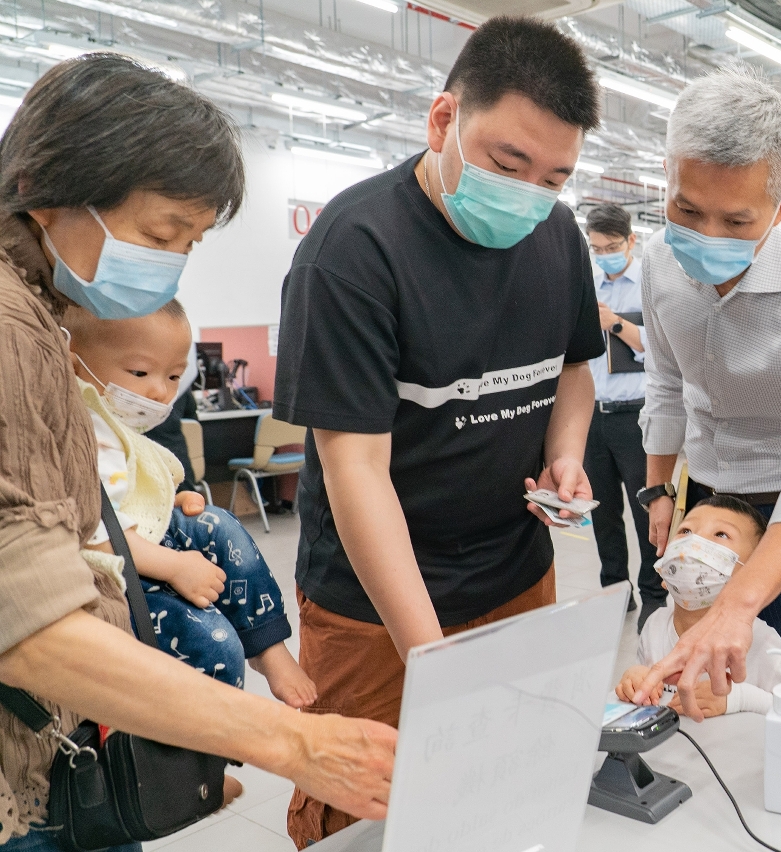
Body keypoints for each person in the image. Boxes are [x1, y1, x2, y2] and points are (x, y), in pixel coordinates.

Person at [0, 54, 394, 852]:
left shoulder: (43, 313)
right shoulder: (12, 331)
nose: (172, 261)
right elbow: (27, 620)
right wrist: (294, 743)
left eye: (190, 241)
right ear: (47, 190)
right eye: (159, 235)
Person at [272, 16, 603, 845]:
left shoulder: (556, 235)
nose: (528, 194)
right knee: (368, 813)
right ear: (442, 119)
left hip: (514, 574)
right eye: (507, 164)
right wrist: (438, 663)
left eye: (554, 177)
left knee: (505, 786)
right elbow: (355, 472)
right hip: (374, 607)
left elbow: (571, 370)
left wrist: (564, 456)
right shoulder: (353, 251)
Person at [632, 68, 781, 722]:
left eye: (736, 220)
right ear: (667, 176)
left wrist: (738, 605)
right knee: (696, 694)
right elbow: (665, 381)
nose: (706, 236)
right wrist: (658, 490)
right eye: (687, 211)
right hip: (705, 504)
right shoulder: (657, 261)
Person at [65, 300, 316, 708]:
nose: (159, 391)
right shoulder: (85, 433)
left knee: (219, 524)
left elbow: (124, 496)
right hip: (110, 566)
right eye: (140, 373)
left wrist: (166, 501)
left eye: (174, 376)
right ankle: (211, 736)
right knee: (214, 642)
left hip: (139, 539)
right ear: (74, 364)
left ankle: (268, 647)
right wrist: (176, 567)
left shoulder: (113, 424)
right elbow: (98, 530)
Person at [617, 495, 781, 716]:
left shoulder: (763, 643)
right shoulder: (655, 624)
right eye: (685, 531)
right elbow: (646, 689)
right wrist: (636, 679)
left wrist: (739, 698)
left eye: (721, 534)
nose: (694, 542)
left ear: (751, 574)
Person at [582, 203, 666, 630]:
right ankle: (615, 591)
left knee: (645, 511)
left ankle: (653, 594)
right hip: (593, 418)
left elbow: (661, 349)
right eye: (596, 248)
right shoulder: (587, 284)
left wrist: (614, 323)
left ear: (631, 241)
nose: (604, 255)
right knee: (603, 512)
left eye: (612, 247)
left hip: (636, 418)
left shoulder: (650, 286)